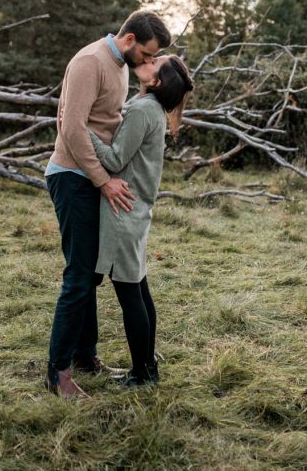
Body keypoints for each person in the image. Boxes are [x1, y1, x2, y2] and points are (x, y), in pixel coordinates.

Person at [44, 10, 172, 398]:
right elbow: (69, 127)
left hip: (94, 177)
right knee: (78, 279)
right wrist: (104, 181)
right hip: (73, 176)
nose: (149, 63)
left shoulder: (119, 66)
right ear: (130, 39)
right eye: (148, 55)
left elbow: (105, 122)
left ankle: (85, 356)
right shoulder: (90, 62)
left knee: (90, 277)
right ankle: (58, 374)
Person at [90, 55, 193, 387]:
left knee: (131, 294)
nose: (147, 61)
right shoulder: (153, 110)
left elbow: (115, 158)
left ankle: (142, 373)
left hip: (123, 211)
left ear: (156, 81)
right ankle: (147, 367)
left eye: (154, 63)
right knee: (139, 290)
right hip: (136, 210)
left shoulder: (142, 110)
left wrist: (82, 129)